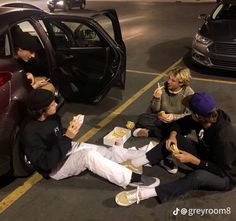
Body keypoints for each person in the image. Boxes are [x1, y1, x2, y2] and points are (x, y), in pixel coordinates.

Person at [21, 89, 160, 189]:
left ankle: (151, 156)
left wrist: (69, 130)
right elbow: (46, 164)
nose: (56, 104)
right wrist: (67, 137)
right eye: (51, 104)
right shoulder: (30, 133)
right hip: (55, 167)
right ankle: (130, 178)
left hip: (66, 147)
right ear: (41, 110)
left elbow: (58, 134)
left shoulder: (51, 116)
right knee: (89, 156)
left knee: (107, 152)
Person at [115, 92, 236, 206]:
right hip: (208, 156)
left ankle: (147, 193)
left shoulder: (224, 138)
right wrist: (172, 137)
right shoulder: (206, 116)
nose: (189, 113)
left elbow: (222, 170)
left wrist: (193, 160)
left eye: (190, 111)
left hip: (226, 175)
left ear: (197, 116)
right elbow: (180, 123)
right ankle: (136, 163)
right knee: (175, 139)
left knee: (198, 176)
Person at [133, 66, 194, 140]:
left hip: (178, 121)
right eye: (169, 78)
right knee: (142, 119)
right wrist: (157, 98)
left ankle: (151, 133)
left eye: (173, 80)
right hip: (162, 119)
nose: (168, 81)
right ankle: (171, 135)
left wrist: (174, 117)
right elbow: (154, 110)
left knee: (184, 128)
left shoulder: (189, 93)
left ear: (181, 83)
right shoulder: (163, 87)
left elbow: (190, 116)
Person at [13, 27, 55, 93]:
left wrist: (28, 73)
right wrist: (36, 86)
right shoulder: (11, 63)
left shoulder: (23, 59)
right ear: (20, 49)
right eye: (31, 52)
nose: (32, 56)